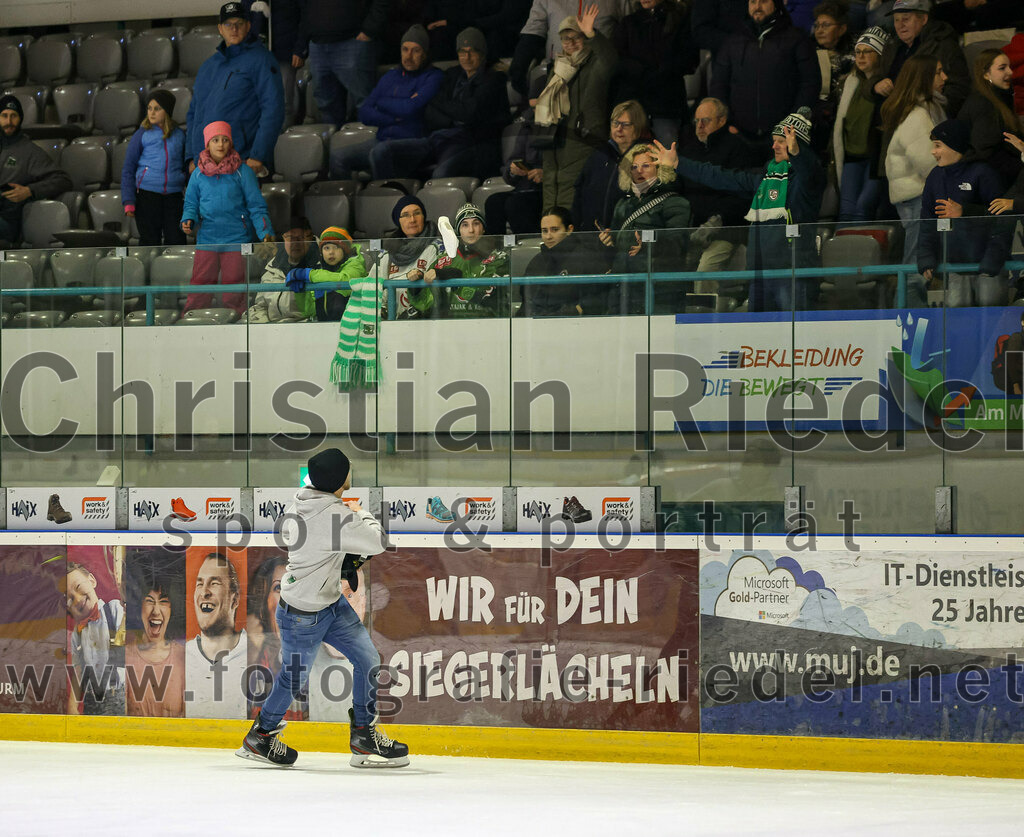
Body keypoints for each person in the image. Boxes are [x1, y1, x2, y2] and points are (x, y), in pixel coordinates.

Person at [237, 447, 407, 768]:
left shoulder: (303, 498)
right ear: (339, 482)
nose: (350, 473)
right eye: (347, 471)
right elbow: (377, 541)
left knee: (367, 658)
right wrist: (360, 512)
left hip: (328, 603)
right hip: (303, 615)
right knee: (292, 678)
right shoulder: (336, 518)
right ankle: (261, 735)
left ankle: (363, 735)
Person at [655, 108, 826, 311]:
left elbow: (809, 168)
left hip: (793, 275)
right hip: (759, 275)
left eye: (782, 141)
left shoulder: (808, 180)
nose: (774, 146)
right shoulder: (765, 178)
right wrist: (678, 163)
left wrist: (798, 153)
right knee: (758, 340)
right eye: (774, 140)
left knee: (795, 339)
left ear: (798, 144)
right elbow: (722, 176)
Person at [371, 27, 510, 180]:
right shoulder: (452, 74)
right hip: (440, 138)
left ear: (482, 53)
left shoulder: (494, 79)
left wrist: (434, 100)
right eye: (462, 52)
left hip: (472, 143)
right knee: (382, 152)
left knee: (440, 175)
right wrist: (451, 116)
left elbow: (469, 113)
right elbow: (431, 113)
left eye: (472, 51)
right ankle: (400, 199)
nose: (467, 57)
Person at [181, 121, 275, 315]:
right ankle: (192, 321)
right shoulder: (197, 175)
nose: (221, 144)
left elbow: (256, 206)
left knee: (235, 288)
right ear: (208, 144)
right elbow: (191, 204)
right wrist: (188, 219)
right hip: (207, 239)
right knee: (200, 285)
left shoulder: (244, 171)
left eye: (225, 140)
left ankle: (237, 322)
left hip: (236, 240)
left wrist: (265, 232)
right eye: (215, 140)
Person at [330, 25, 443, 179]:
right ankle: (346, 200)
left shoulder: (433, 77)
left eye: (415, 50)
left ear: (425, 54)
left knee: (380, 152)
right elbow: (364, 112)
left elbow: (409, 108)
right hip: (382, 139)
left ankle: (385, 197)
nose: (408, 56)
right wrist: (395, 116)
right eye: (405, 49)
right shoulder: (390, 76)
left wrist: (381, 103)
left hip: (416, 142)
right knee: (338, 156)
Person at [918, 119, 1009, 307]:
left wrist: (992, 260)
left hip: (987, 269)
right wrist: (927, 258)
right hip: (955, 268)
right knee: (958, 326)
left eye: (938, 146)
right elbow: (927, 222)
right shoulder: (935, 177)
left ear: (954, 146)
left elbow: (1003, 219)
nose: (933, 152)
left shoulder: (983, 173)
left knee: (990, 325)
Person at [185, 3, 284, 175]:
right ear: (220, 29)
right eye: (228, 24)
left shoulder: (262, 60)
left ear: (248, 25)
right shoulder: (208, 66)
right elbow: (194, 114)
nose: (234, 29)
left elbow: (273, 109)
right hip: (207, 165)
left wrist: (258, 155)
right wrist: (192, 158)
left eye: (239, 23)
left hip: (244, 161)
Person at [536, 8, 618, 212]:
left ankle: (569, 237)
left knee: (572, 193)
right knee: (551, 187)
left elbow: (611, 61)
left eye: (576, 38)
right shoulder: (557, 69)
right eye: (565, 39)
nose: (571, 44)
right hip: (554, 138)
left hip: (584, 139)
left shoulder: (595, 65)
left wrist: (593, 34)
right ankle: (552, 235)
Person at [881, 54, 947, 307]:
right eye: (938, 72)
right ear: (923, 78)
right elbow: (930, 165)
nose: (945, 78)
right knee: (916, 270)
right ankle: (908, 330)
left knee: (919, 267)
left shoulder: (925, 110)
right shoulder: (918, 117)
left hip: (919, 198)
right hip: (919, 199)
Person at [709, 0, 820, 149]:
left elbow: (810, 84)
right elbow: (718, 84)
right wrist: (727, 122)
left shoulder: (797, 39)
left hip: (784, 136)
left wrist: (793, 123)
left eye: (763, 1)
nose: (757, 6)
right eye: (753, 2)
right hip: (738, 135)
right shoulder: (733, 41)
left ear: (776, 4)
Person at [599, 143, 692, 313]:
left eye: (646, 165)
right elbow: (614, 248)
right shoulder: (622, 204)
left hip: (659, 289)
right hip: (623, 287)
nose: (639, 171)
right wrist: (609, 239)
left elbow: (677, 243)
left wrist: (648, 242)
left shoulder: (676, 203)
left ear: (660, 168)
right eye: (634, 167)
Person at [679, 97, 762, 274]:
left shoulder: (738, 149)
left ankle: (705, 303)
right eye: (697, 121)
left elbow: (743, 196)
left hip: (726, 230)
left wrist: (718, 220)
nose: (699, 126)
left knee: (705, 270)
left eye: (705, 121)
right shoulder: (688, 150)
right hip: (692, 232)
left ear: (722, 120)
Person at [286, 237, 382, 389]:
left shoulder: (355, 264)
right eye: (326, 248)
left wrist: (309, 275)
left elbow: (346, 281)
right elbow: (307, 311)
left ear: (344, 250)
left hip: (350, 332)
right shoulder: (320, 272)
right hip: (323, 335)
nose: (331, 252)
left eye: (336, 248)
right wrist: (301, 291)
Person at [612, 0, 698, 147]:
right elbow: (618, 60)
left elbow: (690, 60)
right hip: (634, 106)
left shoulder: (680, 20)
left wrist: (662, 72)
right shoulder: (629, 23)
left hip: (666, 107)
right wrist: (642, 71)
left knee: (666, 161)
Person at [294, 0, 388, 126]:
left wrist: (369, 30)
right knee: (325, 106)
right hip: (318, 44)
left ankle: (366, 144)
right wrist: (301, 45)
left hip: (352, 41)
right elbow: (305, 9)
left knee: (364, 104)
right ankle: (336, 144)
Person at [509, 0, 629, 96]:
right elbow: (534, 29)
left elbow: (629, 27)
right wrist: (519, 65)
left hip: (601, 75)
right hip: (559, 72)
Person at [833, 26, 890, 222]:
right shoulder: (850, 82)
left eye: (868, 51)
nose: (861, 56)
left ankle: (861, 252)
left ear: (880, 55)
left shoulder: (886, 85)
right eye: (858, 51)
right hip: (852, 157)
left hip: (875, 158)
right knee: (846, 211)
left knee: (863, 209)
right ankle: (842, 252)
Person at [0, 94, 73, 247]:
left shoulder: (30, 151)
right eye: (4, 116)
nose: (9, 122)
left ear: (20, 119)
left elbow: (63, 180)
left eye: (14, 116)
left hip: (8, 223)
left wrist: (30, 190)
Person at [876, 0, 969, 118]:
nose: (900, 25)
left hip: (923, 121)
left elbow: (958, 90)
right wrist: (875, 85)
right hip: (890, 118)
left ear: (924, 19)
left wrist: (923, 111)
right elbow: (876, 76)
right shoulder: (891, 46)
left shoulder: (943, 46)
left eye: (906, 19)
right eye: (896, 20)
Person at [185, 552, 248, 719]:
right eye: (200, 584)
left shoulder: (257, 654)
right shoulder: (180, 657)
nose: (204, 592)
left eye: (214, 583)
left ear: (234, 600)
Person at [121, 90, 187, 246]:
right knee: (149, 242)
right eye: (149, 108)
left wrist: (183, 180)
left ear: (167, 111)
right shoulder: (141, 134)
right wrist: (128, 200)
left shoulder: (180, 135)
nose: (152, 112)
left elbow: (186, 164)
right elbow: (128, 169)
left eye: (157, 108)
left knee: (176, 240)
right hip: (147, 196)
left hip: (174, 196)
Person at [246, 554, 308, 721]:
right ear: (264, 602)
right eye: (278, 588)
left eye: (294, 586)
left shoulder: (316, 654)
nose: (287, 596)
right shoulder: (253, 660)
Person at [571, 100, 648, 231]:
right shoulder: (599, 155)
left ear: (637, 127)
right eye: (615, 123)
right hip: (591, 235)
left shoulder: (646, 157)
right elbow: (579, 192)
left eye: (625, 124)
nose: (619, 129)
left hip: (626, 238)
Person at [425, 202, 509, 317]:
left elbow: (491, 301)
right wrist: (417, 287)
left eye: (476, 224)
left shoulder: (499, 259)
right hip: (449, 326)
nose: (471, 230)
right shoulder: (443, 260)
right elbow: (427, 303)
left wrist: (457, 283)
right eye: (465, 225)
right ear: (458, 230)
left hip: (488, 324)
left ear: (483, 228)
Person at [523, 205, 609, 316]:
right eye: (544, 231)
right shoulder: (536, 262)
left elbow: (599, 296)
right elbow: (526, 303)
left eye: (555, 230)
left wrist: (576, 310)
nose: (548, 236)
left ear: (569, 229)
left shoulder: (587, 257)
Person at [65, 561, 125, 716]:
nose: (77, 599)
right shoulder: (77, 635)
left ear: (92, 580)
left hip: (120, 698)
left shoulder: (115, 610)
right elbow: (79, 674)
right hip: (91, 703)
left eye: (78, 587)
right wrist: (72, 707)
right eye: (70, 598)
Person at [957, 49, 1023, 190]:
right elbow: (987, 152)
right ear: (986, 74)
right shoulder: (983, 104)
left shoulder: (1000, 98)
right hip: (993, 183)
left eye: (1009, 66)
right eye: (1002, 68)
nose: (1010, 72)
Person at [126, 570, 185, 718]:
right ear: (139, 607)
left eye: (164, 602)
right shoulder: (124, 657)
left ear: (172, 609)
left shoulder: (184, 658)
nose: (156, 611)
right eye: (149, 601)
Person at [241, 216, 320, 323]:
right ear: (283, 239)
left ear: (309, 239)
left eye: (300, 237)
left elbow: (321, 310)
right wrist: (266, 327)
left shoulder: (321, 266)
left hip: (305, 329)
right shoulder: (273, 265)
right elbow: (260, 306)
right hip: (272, 328)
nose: (295, 243)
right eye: (290, 237)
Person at [377, 194, 443, 319]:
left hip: (427, 321)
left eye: (417, 213)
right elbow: (374, 289)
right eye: (405, 215)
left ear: (424, 216)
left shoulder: (438, 247)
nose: (412, 219)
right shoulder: (386, 252)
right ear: (398, 220)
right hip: (391, 323)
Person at [484, 112, 545, 235]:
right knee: (493, 202)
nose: (534, 108)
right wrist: (513, 171)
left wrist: (545, 174)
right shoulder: (527, 126)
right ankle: (496, 250)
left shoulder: (559, 123)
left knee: (515, 204)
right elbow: (512, 162)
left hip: (546, 189)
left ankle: (527, 247)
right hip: (524, 187)